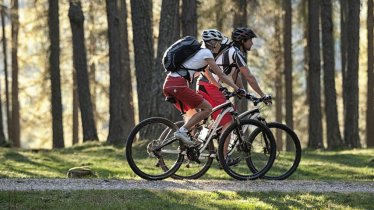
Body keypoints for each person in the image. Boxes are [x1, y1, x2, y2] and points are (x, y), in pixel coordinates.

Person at [197, 27, 271, 162]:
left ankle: (206, 138)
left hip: (207, 86)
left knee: (229, 116)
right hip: (210, 86)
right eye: (250, 40)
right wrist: (262, 95)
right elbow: (249, 76)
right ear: (243, 41)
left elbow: (236, 76)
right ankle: (224, 158)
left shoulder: (231, 51)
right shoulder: (236, 53)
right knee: (230, 121)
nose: (252, 43)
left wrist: (242, 91)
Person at [163, 29, 245, 146]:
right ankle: (181, 132)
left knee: (195, 118)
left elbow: (208, 75)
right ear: (213, 42)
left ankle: (189, 148)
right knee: (208, 109)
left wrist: (220, 88)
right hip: (178, 85)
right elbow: (220, 74)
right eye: (218, 41)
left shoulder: (200, 54)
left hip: (169, 84)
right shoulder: (207, 53)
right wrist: (237, 89)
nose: (220, 44)